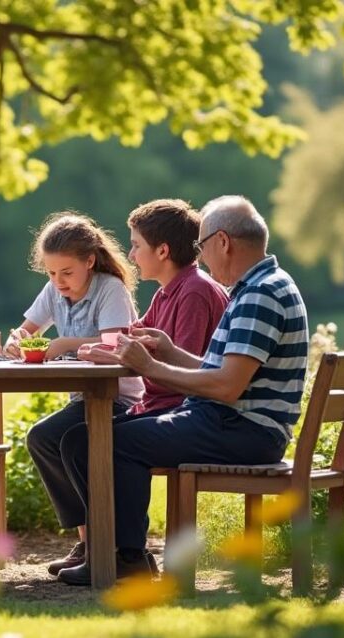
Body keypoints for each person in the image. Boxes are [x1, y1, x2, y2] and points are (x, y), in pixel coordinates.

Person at [55, 195, 308, 585]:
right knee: (88, 438)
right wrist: (171, 351)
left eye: (203, 246)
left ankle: (125, 558)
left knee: (107, 441)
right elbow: (223, 372)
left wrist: (153, 366)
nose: (201, 258)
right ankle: (121, 554)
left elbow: (226, 387)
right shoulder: (259, 287)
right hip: (234, 421)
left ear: (223, 242)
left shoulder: (260, 294)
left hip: (242, 428)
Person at [43, 199, 230, 577]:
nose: (130, 254)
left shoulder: (193, 291)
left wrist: (87, 349)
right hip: (162, 404)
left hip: (184, 408)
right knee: (69, 439)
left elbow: (185, 370)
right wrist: (97, 348)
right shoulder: (167, 291)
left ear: (162, 250)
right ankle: (108, 548)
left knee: (91, 441)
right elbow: (129, 342)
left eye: (136, 245)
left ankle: (123, 555)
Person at [0, 212, 144, 572]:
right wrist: (17, 341)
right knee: (43, 438)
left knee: (65, 440)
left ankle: (101, 544)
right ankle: (86, 542)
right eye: (51, 273)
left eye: (66, 272)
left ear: (89, 261)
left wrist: (66, 343)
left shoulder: (110, 289)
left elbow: (116, 342)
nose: (58, 281)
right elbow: (26, 329)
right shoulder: (54, 291)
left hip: (120, 399)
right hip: (84, 399)